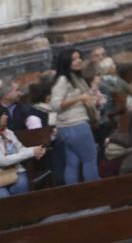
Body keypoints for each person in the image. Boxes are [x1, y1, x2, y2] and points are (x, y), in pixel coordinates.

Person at [50, 49, 102, 185]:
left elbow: (84, 98)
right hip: (75, 125)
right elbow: (55, 105)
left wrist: (93, 95)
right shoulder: (63, 79)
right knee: (89, 160)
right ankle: (97, 195)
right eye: (74, 59)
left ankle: (73, 197)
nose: (78, 61)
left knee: (72, 163)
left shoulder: (76, 78)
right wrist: (80, 97)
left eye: (79, 58)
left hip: (68, 127)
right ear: (66, 62)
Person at [0, 109, 43, 197]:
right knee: (4, 195)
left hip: (15, 171)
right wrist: (31, 152)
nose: (7, 117)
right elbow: (3, 161)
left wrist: (36, 150)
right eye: (4, 115)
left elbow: (21, 149)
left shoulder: (8, 132)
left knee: (22, 184)